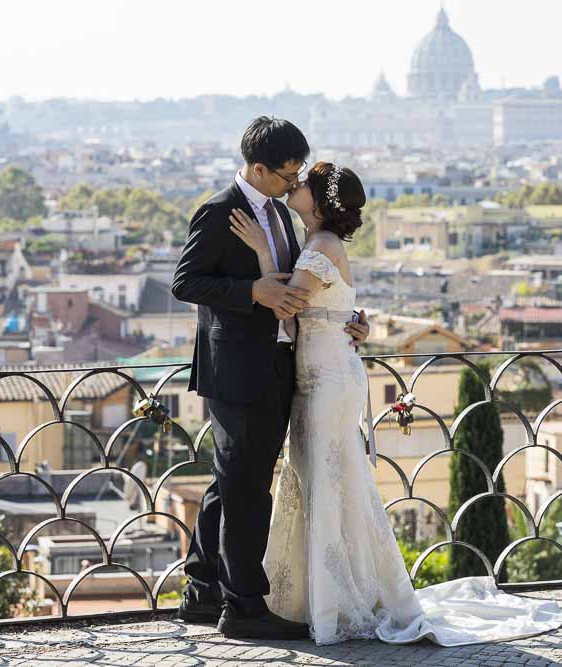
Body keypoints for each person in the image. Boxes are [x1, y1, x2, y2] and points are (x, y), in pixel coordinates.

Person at [228, 161, 562, 646]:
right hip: (324, 375)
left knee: (328, 480)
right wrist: (354, 322)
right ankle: (325, 596)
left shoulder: (320, 247)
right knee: (328, 480)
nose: (295, 185)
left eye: (304, 183)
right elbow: (329, 306)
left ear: (321, 203)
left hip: (326, 381)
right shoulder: (319, 245)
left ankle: (335, 601)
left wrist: (261, 253)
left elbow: (286, 305)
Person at [171, 117, 369, 640]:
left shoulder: (282, 212)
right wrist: (250, 291)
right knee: (246, 487)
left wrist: (343, 318)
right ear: (258, 169)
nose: (295, 179)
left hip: (286, 365)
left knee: (230, 480)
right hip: (236, 369)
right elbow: (186, 282)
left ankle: (202, 588)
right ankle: (244, 607)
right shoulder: (218, 211)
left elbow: (305, 281)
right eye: (287, 172)